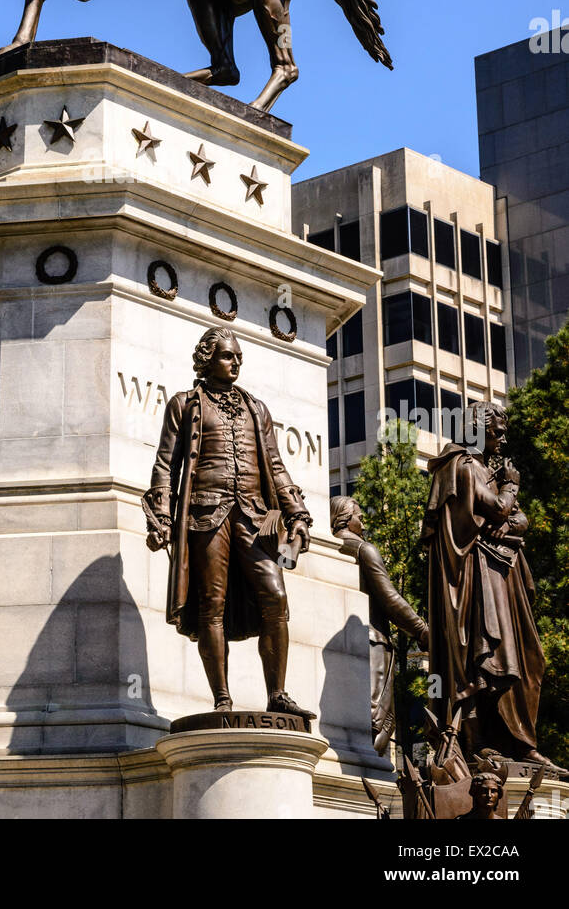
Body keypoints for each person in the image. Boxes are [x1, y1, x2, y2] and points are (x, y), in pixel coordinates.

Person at [144, 327, 312, 715]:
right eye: (227, 356)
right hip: (206, 514)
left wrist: (297, 514)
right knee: (212, 605)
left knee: (276, 597)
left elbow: (274, 464)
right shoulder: (184, 404)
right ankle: (222, 698)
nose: (235, 362)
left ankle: (278, 695)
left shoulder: (257, 408)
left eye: (238, 357)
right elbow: (164, 465)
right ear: (206, 359)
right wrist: (162, 518)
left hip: (257, 518)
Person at [421, 401, 551, 768]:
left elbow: (517, 518)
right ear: (478, 430)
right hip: (476, 581)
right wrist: (510, 489)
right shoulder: (462, 466)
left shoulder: (483, 469)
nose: (503, 437)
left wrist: (506, 517)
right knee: (491, 660)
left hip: (501, 575)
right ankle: (483, 741)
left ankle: (520, 742)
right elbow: (497, 507)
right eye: (497, 431)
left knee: (528, 658)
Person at [330, 495, 428, 756]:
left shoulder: (333, 548)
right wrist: (421, 629)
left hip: (340, 646)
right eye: (358, 515)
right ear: (345, 518)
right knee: (379, 722)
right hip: (373, 644)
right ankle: (369, 779)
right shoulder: (363, 549)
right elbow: (389, 598)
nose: (362, 519)